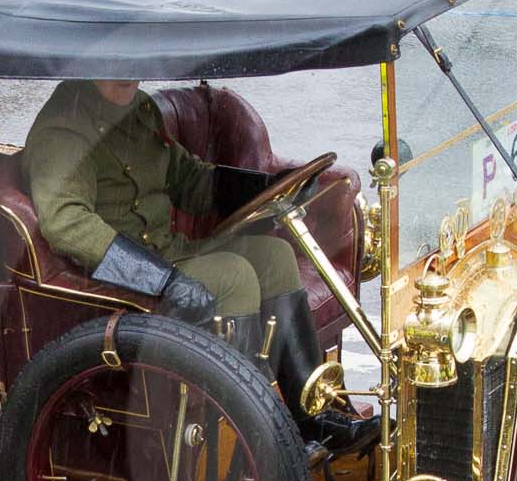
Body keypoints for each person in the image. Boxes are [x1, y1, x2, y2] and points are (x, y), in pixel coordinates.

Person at [23, 78, 376, 455]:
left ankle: (313, 423)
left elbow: (189, 181)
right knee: (233, 276)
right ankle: (249, 449)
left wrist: (270, 186)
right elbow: (65, 222)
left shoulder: (138, 110)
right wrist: (161, 279)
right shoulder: (64, 128)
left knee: (275, 258)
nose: (127, 73)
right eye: (112, 64)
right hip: (117, 279)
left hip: (168, 254)